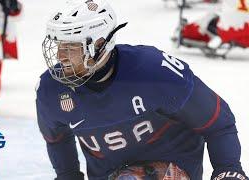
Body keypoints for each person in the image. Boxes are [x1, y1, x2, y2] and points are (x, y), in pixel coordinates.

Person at [36, 0, 248, 179]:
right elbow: (57, 139)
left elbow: (218, 121)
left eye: (71, 47)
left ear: (101, 44)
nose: (60, 56)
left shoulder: (155, 72)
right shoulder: (50, 90)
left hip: (171, 166)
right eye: (59, 45)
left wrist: (227, 168)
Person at [178, 0, 249, 49]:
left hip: (228, 31)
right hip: (246, 34)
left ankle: (186, 32)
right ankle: (188, 33)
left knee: (208, 21)